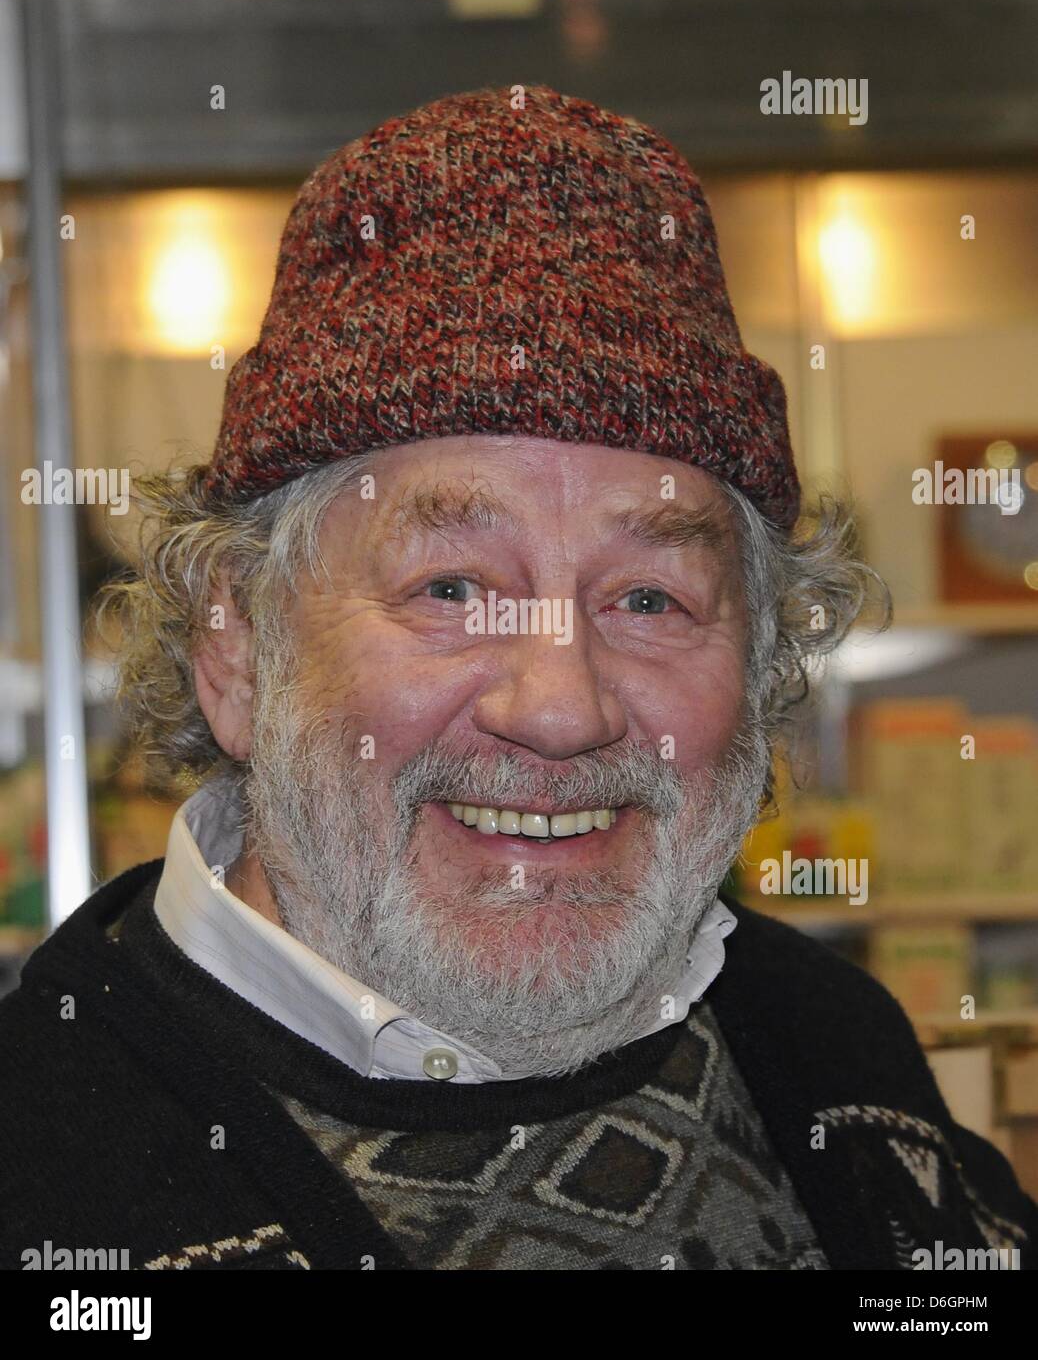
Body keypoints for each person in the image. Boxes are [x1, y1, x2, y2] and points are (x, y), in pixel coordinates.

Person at [2, 85, 1034, 1272]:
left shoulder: (840, 1054)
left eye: (649, 599)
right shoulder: (41, 1169)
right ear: (236, 647)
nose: (560, 706)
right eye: (452, 589)